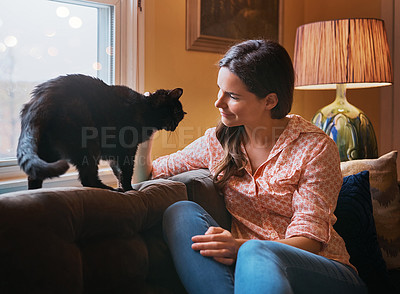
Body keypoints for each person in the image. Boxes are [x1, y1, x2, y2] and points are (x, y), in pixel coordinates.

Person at [138, 39, 367, 294]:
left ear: (269, 101)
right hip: (249, 271)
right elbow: (149, 174)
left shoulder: (315, 147)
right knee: (180, 212)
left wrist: (238, 247)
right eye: (220, 90)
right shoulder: (217, 141)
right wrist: (146, 124)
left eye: (232, 96)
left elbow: (310, 240)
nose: (218, 102)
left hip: (323, 270)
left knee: (255, 249)